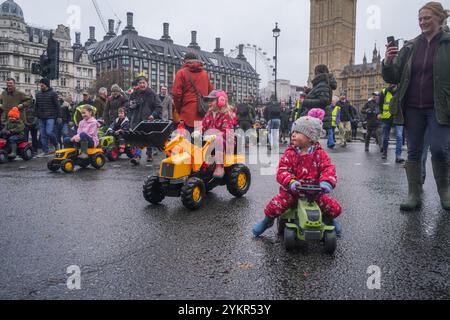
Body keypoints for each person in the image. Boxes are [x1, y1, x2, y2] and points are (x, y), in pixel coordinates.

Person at [382, 1, 450, 211]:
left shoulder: (447, 43)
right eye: (420, 19)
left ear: (439, 18)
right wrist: (387, 62)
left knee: (439, 149)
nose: (422, 22)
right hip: (412, 106)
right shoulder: (411, 46)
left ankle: (445, 190)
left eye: (427, 18)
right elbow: (393, 76)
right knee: (413, 152)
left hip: (440, 105)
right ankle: (414, 193)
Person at [252, 116, 342, 237]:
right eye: (293, 131)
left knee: (333, 207)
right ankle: (267, 221)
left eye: (298, 132)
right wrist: (291, 182)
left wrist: (326, 182)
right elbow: (282, 170)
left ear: (310, 137)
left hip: (314, 193)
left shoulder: (320, 154)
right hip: (292, 191)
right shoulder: (290, 153)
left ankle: (329, 220)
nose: (293, 134)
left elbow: (328, 168)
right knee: (275, 205)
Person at [192, 90, 234, 178]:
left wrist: (217, 135)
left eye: (212, 101)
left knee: (218, 140)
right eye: (208, 101)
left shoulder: (226, 115)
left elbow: (227, 132)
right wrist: (198, 131)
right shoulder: (209, 113)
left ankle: (219, 166)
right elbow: (202, 125)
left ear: (221, 101)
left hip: (225, 143)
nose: (209, 103)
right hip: (210, 141)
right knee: (195, 140)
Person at [172, 52, 214, 133]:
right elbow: (211, 92)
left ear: (185, 61)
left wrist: (179, 109)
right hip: (202, 114)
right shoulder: (205, 74)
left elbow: (176, 94)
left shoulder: (181, 73)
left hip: (186, 115)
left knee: (186, 143)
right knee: (198, 142)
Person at [128, 76, 162, 165]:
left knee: (148, 137)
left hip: (148, 120)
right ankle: (137, 156)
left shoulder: (152, 94)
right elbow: (130, 106)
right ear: (138, 84)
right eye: (140, 83)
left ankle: (149, 154)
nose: (142, 85)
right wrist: (132, 105)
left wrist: (153, 115)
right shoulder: (134, 94)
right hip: (136, 119)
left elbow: (159, 107)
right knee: (137, 137)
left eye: (144, 83)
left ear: (147, 83)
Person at [379, 84, 405, 163]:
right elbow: (380, 104)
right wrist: (379, 113)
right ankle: (384, 153)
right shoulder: (384, 92)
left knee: (399, 136)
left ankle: (398, 155)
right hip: (386, 117)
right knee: (385, 137)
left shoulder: (401, 91)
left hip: (398, 116)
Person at [35, 78, 60, 157]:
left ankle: (56, 144)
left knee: (49, 132)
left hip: (50, 116)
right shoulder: (38, 94)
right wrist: (36, 116)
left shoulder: (53, 93)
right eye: (40, 84)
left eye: (42, 84)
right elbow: (36, 106)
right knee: (43, 134)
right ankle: (46, 150)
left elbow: (57, 106)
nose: (41, 85)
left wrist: (59, 116)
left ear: (46, 84)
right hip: (41, 117)